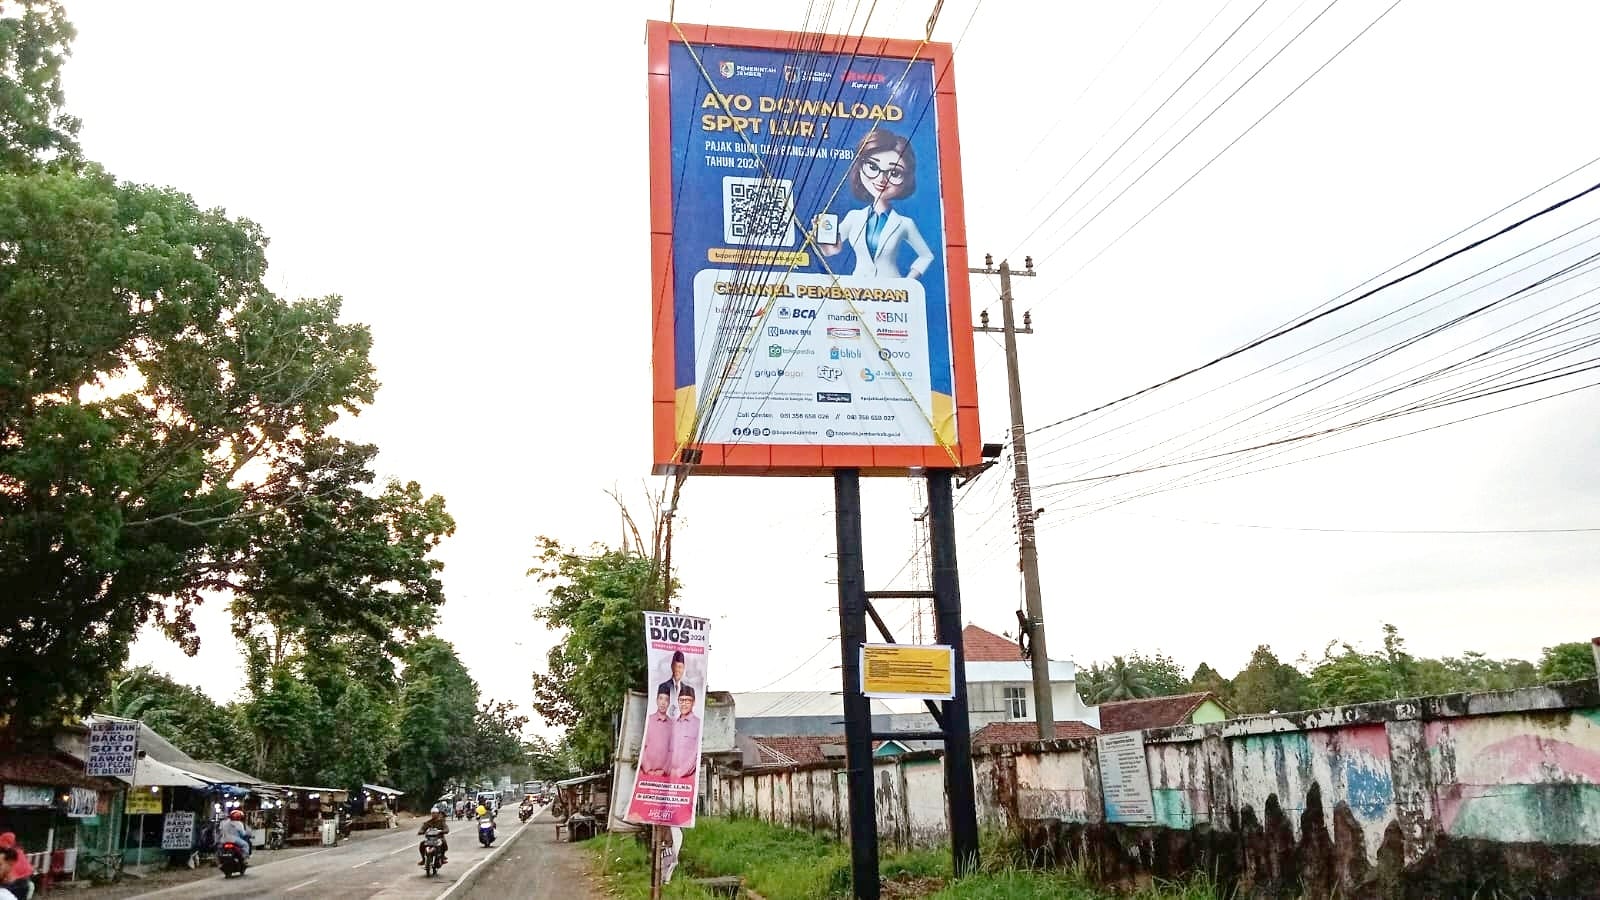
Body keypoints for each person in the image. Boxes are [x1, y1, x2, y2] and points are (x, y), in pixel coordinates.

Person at [815, 128, 934, 279]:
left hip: (893, 293)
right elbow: (831, 250)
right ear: (860, 167)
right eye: (872, 167)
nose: (881, 179)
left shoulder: (905, 223)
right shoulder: (854, 218)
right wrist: (822, 236)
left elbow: (926, 256)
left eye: (894, 173)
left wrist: (908, 283)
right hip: (857, 290)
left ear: (907, 178)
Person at [667, 686, 703, 779]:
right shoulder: (672, 723)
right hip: (668, 776)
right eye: (681, 700)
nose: (684, 704)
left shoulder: (698, 724)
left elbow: (696, 753)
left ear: (693, 702)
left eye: (688, 700)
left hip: (687, 777)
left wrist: (680, 772)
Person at [638, 688, 675, 777]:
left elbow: (672, 751)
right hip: (647, 773)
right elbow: (642, 747)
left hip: (664, 775)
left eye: (666, 700)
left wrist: (664, 770)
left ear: (669, 703)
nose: (663, 703)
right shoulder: (649, 721)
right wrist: (648, 769)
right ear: (656, 700)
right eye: (661, 698)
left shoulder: (672, 724)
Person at [656, 650, 688, 717]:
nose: (677, 670)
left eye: (680, 667)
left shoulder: (687, 690)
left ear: (683, 668)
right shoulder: (663, 686)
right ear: (672, 666)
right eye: (675, 666)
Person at [0, 834, 31, 899]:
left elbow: (8, 877)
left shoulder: (7, 855)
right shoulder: (19, 851)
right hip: (25, 884)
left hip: (14, 885)